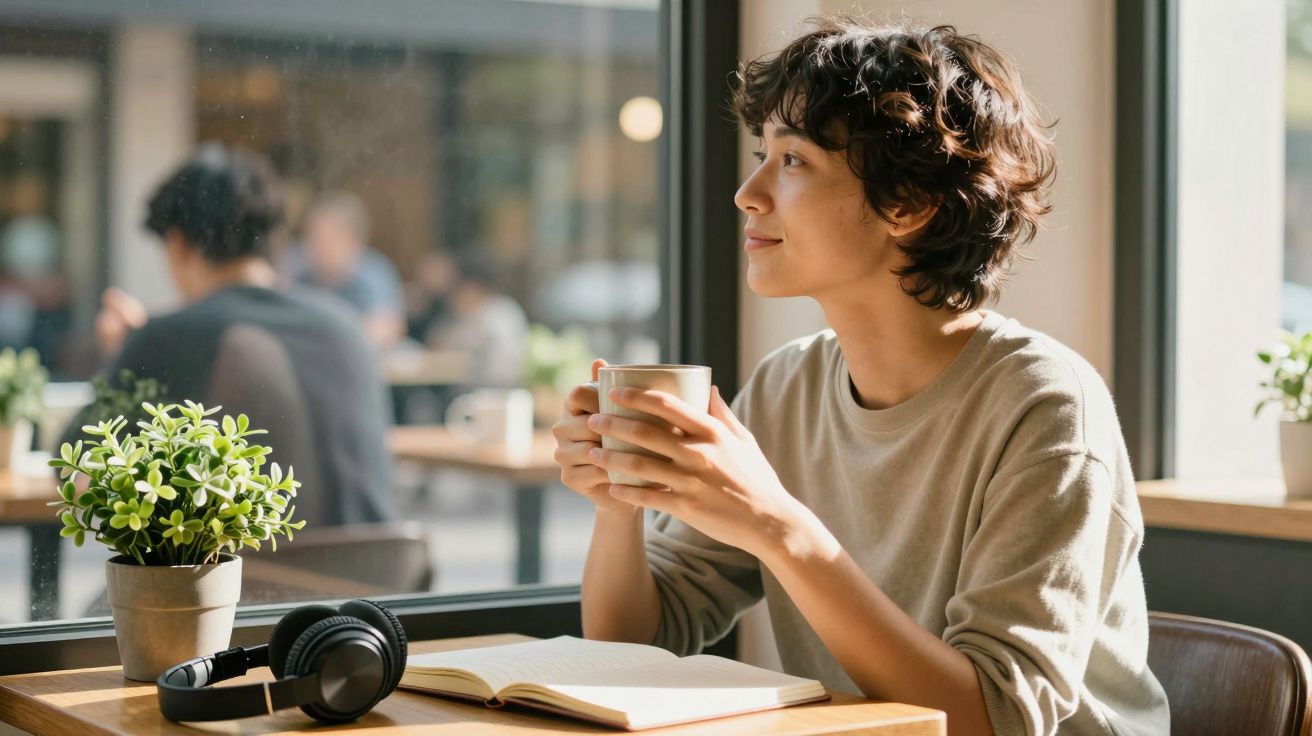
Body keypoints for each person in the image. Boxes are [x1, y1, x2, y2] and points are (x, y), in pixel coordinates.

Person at [552, 18, 1169, 736]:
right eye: (762, 155)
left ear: (907, 203)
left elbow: (993, 718)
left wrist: (779, 529)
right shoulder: (788, 386)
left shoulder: (1046, 407)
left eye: (793, 161)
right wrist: (618, 499)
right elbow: (639, 645)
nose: (747, 194)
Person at [75, 143, 394, 527]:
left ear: (177, 243)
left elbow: (78, 472)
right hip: (381, 577)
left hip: (255, 581)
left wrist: (122, 356)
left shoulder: (169, 336)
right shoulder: (345, 327)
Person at [287, 190, 406, 349]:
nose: (317, 247)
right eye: (311, 237)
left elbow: (386, 328)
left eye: (327, 238)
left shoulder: (373, 274)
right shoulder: (301, 277)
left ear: (353, 241)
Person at [426, 249, 528, 388]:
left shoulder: (494, 315)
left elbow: (444, 346)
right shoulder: (506, 308)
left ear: (471, 287)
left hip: (490, 393)